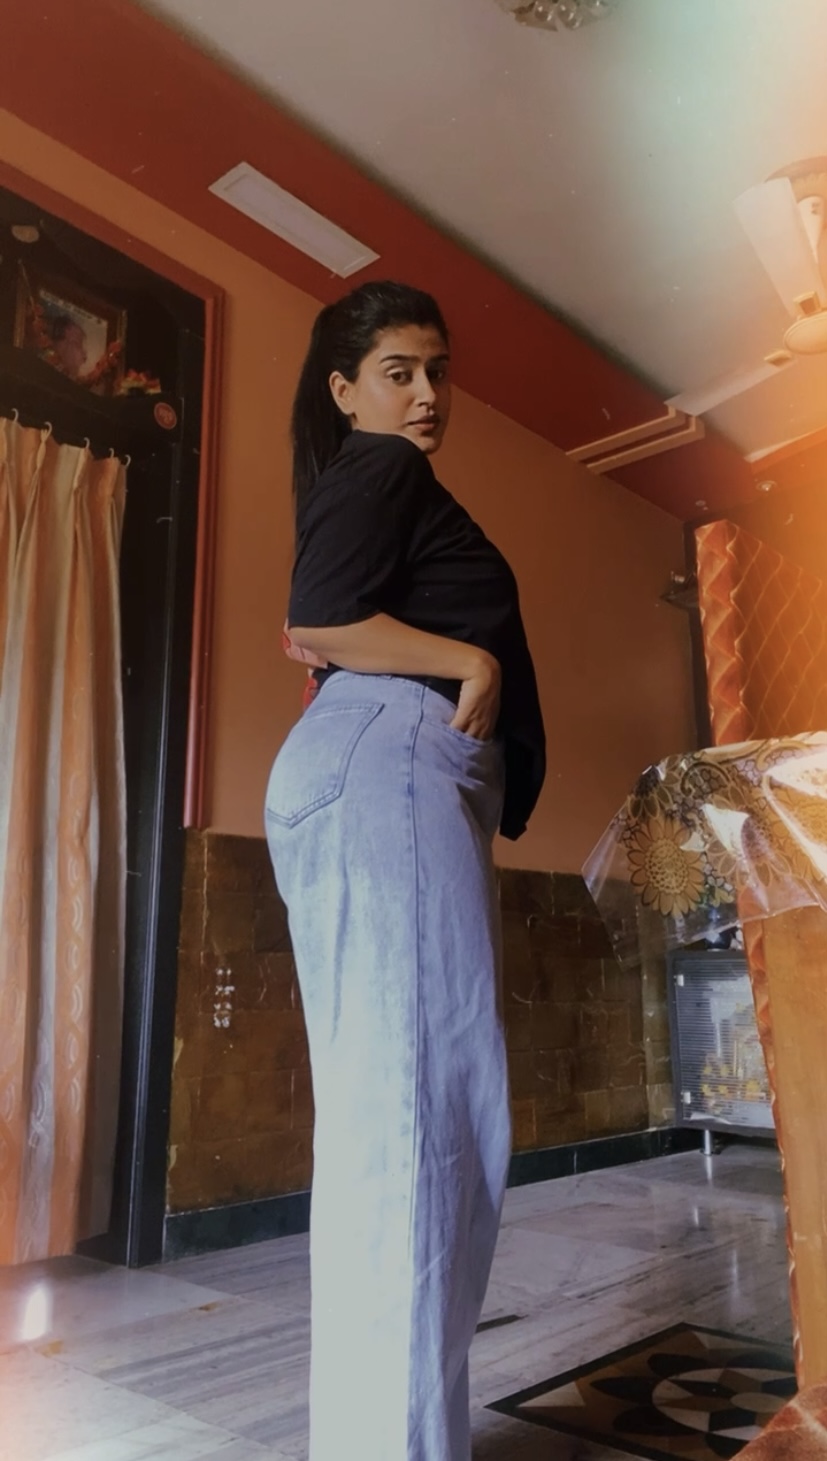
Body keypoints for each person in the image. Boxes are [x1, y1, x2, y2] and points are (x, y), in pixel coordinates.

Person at [265, 280, 545, 1461]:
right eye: (397, 371)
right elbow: (320, 616)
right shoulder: (380, 465)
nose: (426, 393)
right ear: (345, 390)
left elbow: (320, 625)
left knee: (411, 1126)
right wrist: (469, 660)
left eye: (436, 370)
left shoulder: (370, 479)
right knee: (422, 1132)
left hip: (375, 765)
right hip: (392, 759)